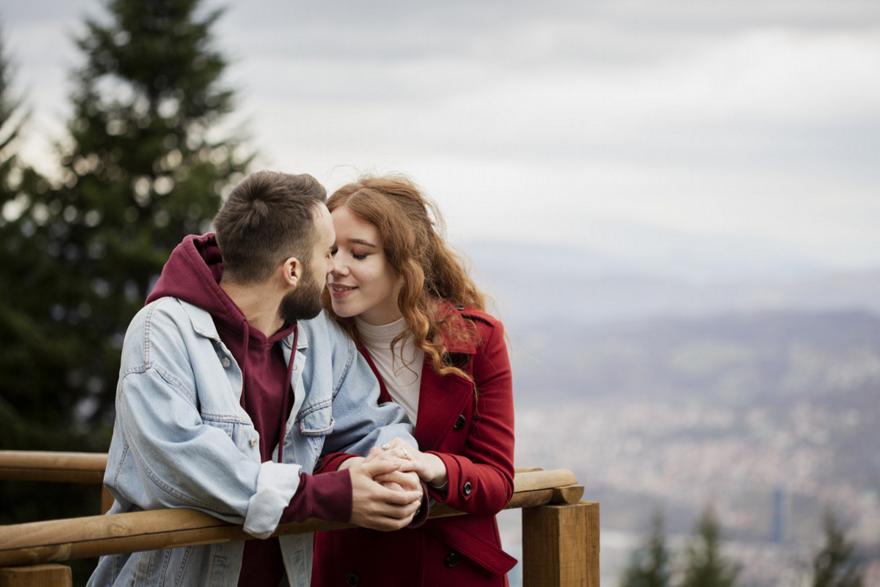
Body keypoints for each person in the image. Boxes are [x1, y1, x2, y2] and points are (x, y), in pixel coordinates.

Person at [88, 171, 424, 587]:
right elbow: (181, 463)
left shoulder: (318, 334)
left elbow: (374, 423)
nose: (333, 268)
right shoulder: (161, 331)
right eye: (327, 253)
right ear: (293, 270)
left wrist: (398, 468)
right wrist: (331, 496)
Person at [311, 176, 516, 586]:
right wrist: (354, 470)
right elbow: (298, 455)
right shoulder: (309, 340)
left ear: (404, 262)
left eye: (359, 253)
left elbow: (497, 478)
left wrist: (431, 466)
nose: (336, 267)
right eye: (330, 250)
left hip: (454, 572)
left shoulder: (476, 339)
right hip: (354, 562)